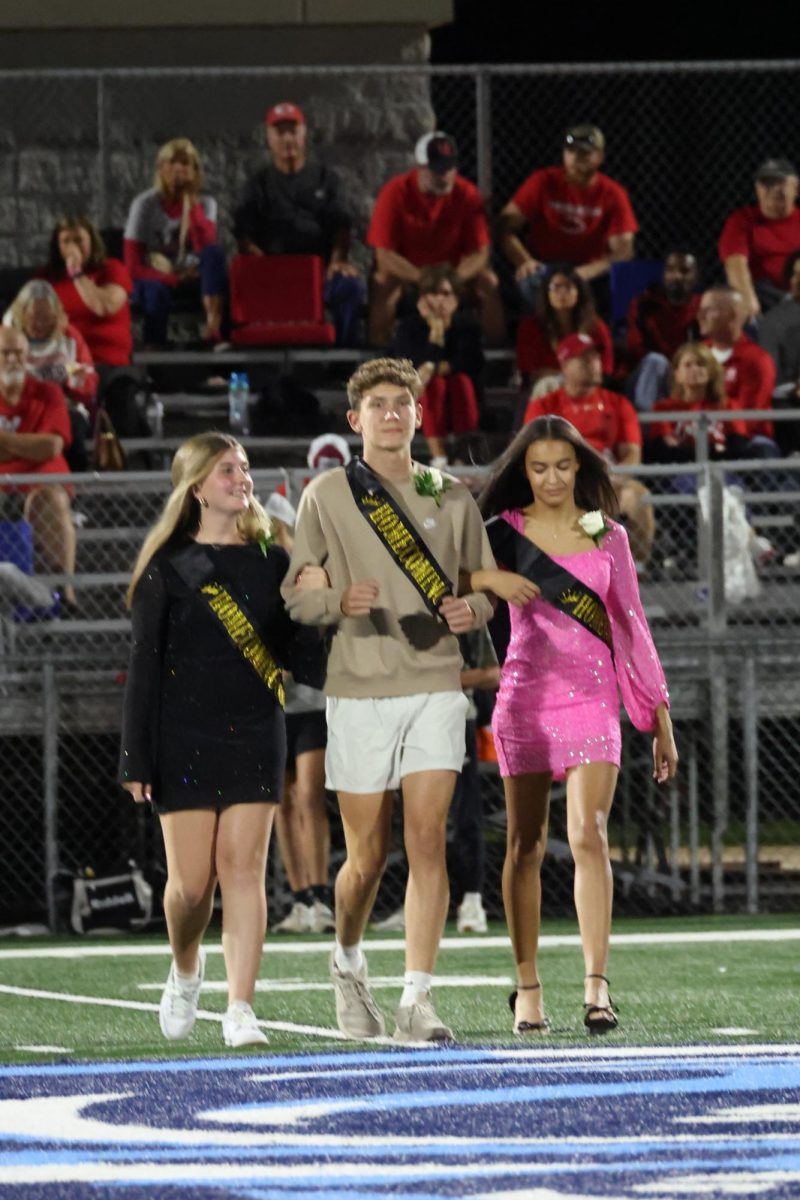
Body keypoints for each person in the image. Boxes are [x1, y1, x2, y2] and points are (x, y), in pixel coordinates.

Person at [282, 356, 495, 1043]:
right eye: (377, 404)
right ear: (355, 419)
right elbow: (294, 595)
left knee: (426, 838)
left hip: (435, 684)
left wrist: (476, 609)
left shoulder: (452, 496)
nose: (391, 413)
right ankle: (346, 963)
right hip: (359, 691)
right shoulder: (325, 496)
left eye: (401, 402)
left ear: (419, 413)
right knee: (365, 860)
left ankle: (417, 1001)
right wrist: (333, 599)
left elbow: (484, 587)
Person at [467, 414, 677, 1035]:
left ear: (579, 469)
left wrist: (659, 716)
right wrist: (487, 576)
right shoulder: (499, 533)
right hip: (526, 694)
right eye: (538, 468)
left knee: (588, 833)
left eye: (563, 466)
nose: (552, 478)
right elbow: (446, 580)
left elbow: (632, 625)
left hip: (592, 698)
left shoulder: (607, 535)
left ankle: (596, 986)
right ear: (522, 472)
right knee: (524, 845)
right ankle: (527, 988)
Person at [118, 431, 324, 1048]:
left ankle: (240, 1008)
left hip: (256, 728)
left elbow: (302, 663)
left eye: (244, 468)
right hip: (181, 734)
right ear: (198, 487)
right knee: (189, 887)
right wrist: (136, 755)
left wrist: (314, 606)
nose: (243, 478)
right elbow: (145, 666)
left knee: (243, 870)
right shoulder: (167, 567)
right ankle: (185, 969)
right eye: (227, 470)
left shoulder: (273, 560)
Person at [233, 102, 364, 347]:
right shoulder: (258, 183)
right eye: (280, 132)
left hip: (320, 273)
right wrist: (265, 267)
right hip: (272, 273)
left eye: (293, 131)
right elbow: (243, 235)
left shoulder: (326, 178)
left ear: (304, 134)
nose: (287, 138)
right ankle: (248, 365)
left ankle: (344, 365)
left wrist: (337, 261)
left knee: (350, 288)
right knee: (234, 284)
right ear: (269, 138)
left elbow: (341, 227)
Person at [266, 490, 335, 936]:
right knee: (282, 804)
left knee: (309, 795)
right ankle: (299, 897)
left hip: (310, 699)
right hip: (273, 700)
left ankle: (320, 893)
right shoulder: (257, 572)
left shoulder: (307, 574)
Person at [523, 333, 655, 564]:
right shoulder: (544, 405)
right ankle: (581, 566)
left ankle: (638, 569)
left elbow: (632, 454)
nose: (595, 365)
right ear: (564, 365)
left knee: (637, 498)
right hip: (560, 481)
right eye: (584, 360)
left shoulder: (618, 404)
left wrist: (614, 477)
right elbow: (532, 451)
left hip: (608, 481)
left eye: (596, 358)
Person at [367, 132, 504, 346]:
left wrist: (452, 280)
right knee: (384, 282)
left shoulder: (466, 193)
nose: (445, 176)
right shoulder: (395, 192)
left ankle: (497, 355)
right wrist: (422, 279)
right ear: (420, 167)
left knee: (488, 282)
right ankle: (378, 354)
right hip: (410, 277)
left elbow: (480, 252)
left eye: (450, 167)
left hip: (452, 276)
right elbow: (384, 255)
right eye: (437, 169)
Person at [499, 125, 637, 310]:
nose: (576, 158)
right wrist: (525, 261)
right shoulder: (543, 181)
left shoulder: (613, 193)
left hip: (589, 271)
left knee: (616, 284)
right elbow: (504, 227)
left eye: (585, 153)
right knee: (531, 281)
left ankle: (589, 336)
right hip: (546, 268)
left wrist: (584, 272)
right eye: (571, 151)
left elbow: (623, 251)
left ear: (600, 157)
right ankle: (548, 334)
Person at [43, 215, 148, 439]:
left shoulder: (111, 269)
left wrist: (77, 273)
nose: (72, 247)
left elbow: (104, 306)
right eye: (66, 241)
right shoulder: (48, 279)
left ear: (92, 241)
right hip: (66, 363)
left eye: (79, 240)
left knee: (120, 401)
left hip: (109, 364)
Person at [123, 138, 227, 346]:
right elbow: (133, 266)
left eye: (186, 163)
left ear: (196, 171)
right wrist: (173, 279)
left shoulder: (206, 204)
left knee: (216, 255)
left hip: (193, 276)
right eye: (172, 163)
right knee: (156, 291)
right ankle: (154, 351)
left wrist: (190, 201)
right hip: (155, 276)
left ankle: (215, 332)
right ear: (161, 169)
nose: (179, 169)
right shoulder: (145, 204)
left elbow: (204, 248)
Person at [0, 326, 76, 609]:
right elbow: (40, 447)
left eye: (18, 352)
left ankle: (65, 596)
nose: (12, 359)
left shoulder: (48, 393)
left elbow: (51, 447)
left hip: (40, 486)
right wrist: (29, 446)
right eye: (5, 352)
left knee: (49, 500)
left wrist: (5, 443)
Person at [391, 262, 484, 466]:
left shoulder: (467, 327)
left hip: (462, 397)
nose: (440, 300)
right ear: (422, 299)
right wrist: (435, 331)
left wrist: (438, 366)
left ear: (457, 299)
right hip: (425, 395)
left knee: (460, 381)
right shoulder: (409, 328)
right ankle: (439, 456)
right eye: (433, 293)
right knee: (435, 384)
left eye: (446, 293)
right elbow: (413, 368)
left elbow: (471, 362)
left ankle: (464, 455)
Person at [5, 279, 97, 472]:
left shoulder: (70, 339)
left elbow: (88, 380)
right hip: (17, 405)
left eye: (47, 318)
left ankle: (71, 492)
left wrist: (75, 380)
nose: (40, 324)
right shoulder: (7, 337)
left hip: (61, 405)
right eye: (34, 317)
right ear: (21, 314)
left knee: (72, 436)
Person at [698, 286, 778, 456]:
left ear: (733, 316)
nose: (700, 316)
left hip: (746, 441)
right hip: (700, 437)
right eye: (700, 310)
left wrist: (717, 436)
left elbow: (751, 417)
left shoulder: (757, 360)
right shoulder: (695, 356)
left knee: (761, 449)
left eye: (708, 310)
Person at [719, 158, 800, 321]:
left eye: (780, 183)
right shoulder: (742, 220)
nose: (773, 189)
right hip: (763, 300)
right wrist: (750, 305)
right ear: (757, 189)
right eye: (766, 184)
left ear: (796, 188)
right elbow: (736, 264)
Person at [515, 265, 613, 393]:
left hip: (587, 390)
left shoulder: (596, 327)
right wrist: (574, 375)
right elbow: (530, 372)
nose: (562, 292)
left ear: (579, 292)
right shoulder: (531, 327)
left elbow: (604, 371)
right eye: (555, 287)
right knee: (548, 385)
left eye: (568, 287)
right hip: (545, 391)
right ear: (546, 293)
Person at [624, 250, 701, 412]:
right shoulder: (645, 304)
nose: (677, 276)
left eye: (684, 271)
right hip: (649, 376)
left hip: (688, 373)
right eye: (671, 270)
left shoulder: (702, 306)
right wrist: (674, 371)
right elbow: (635, 349)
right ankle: (649, 429)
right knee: (656, 361)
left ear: (696, 276)